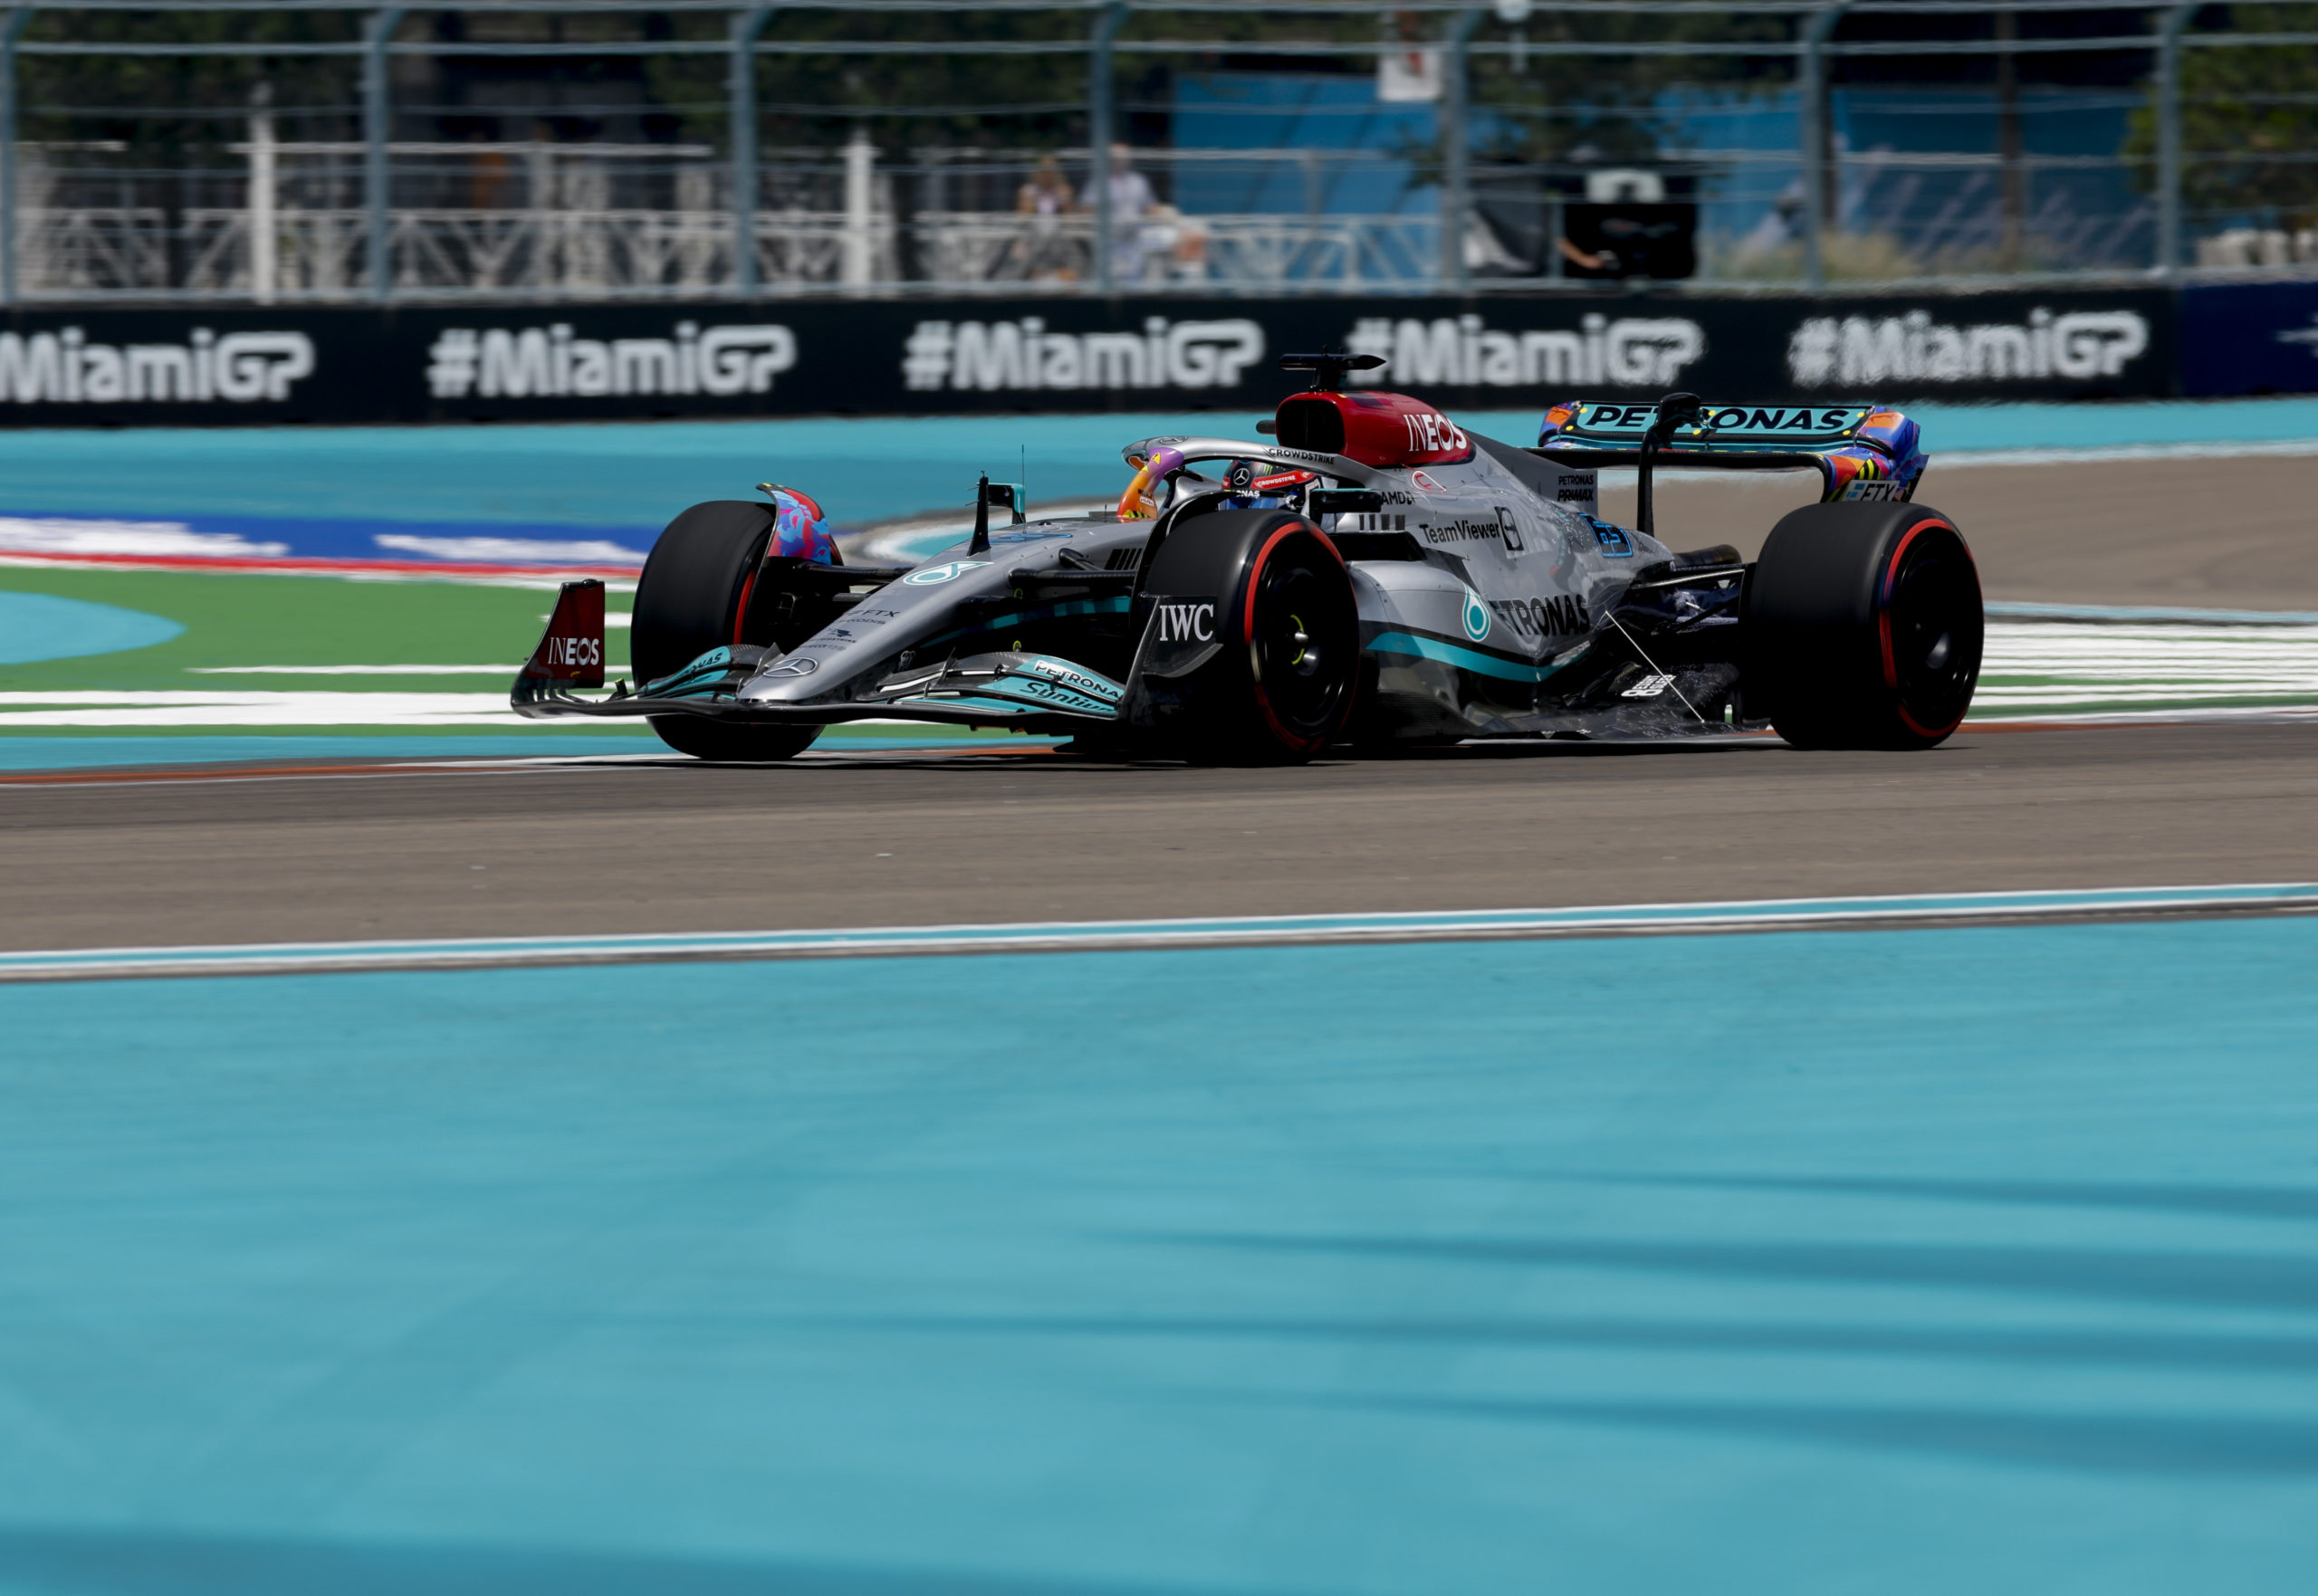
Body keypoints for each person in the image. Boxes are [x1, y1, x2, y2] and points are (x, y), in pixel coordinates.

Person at [1082, 143, 1155, 283]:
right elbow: (1087, 209)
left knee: (1135, 279)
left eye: (1123, 157)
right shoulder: (1098, 182)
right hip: (1109, 240)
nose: (1120, 161)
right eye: (1116, 158)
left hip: (1135, 239)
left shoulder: (1139, 181)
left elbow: (1150, 208)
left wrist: (1163, 212)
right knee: (1112, 280)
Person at [1013, 154, 1081, 282]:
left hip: (1058, 239)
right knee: (1023, 254)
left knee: (1070, 257)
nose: (1047, 175)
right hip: (1035, 238)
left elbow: (1071, 221)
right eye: (1044, 171)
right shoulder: (1028, 191)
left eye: (1051, 171)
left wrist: (1064, 203)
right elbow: (1022, 220)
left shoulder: (1063, 190)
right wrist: (1030, 204)